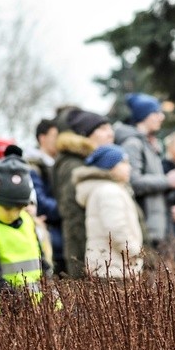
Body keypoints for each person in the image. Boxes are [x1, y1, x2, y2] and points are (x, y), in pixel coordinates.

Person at [114, 92, 175, 247]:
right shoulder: (132, 144)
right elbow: (132, 182)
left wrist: (173, 189)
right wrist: (168, 181)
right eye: (156, 113)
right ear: (143, 116)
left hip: (158, 228)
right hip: (144, 229)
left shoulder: (151, 145)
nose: (161, 117)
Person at [52, 109, 114, 278]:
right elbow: (73, 216)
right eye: (102, 129)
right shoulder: (74, 165)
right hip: (86, 255)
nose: (110, 134)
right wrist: (82, 264)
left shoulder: (89, 161)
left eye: (109, 128)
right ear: (85, 135)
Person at [0, 150, 48, 306]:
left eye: (20, 207)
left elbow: (42, 261)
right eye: (8, 208)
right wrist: (15, 301)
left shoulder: (27, 220)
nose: (14, 214)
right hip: (12, 307)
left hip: (41, 305)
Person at [73, 144, 143, 278]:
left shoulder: (105, 189)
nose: (129, 167)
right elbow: (116, 229)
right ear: (109, 165)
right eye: (123, 162)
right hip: (115, 267)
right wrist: (135, 252)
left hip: (107, 265)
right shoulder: (109, 192)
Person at [26, 118, 63, 272]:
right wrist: (66, 209)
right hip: (50, 232)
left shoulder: (57, 163)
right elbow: (40, 201)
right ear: (42, 138)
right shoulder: (33, 165)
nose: (59, 140)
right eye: (55, 136)